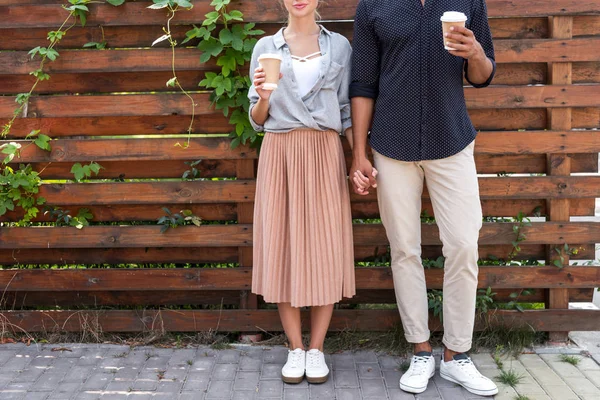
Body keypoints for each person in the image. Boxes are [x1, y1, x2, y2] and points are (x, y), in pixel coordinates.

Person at [349, 0, 498, 396]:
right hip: (390, 145)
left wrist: (477, 53)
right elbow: (363, 83)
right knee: (404, 250)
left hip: (451, 140)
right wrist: (359, 153)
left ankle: (456, 356)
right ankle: (420, 350)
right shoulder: (374, 6)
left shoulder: (467, 2)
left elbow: (483, 76)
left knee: (464, 245)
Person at [248, 0, 355, 385]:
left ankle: (317, 349)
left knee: (325, 243)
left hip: (325, 150)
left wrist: (359, 157)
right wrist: (262, 97)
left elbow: (345, 111)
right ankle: (295, 347)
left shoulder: (340, 47)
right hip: (279, 151)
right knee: (282, 243)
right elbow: (257, 119)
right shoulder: (266, 47)